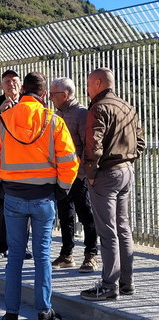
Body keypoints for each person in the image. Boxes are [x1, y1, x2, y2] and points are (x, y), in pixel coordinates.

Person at [0, 72, 80, 320]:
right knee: (42, 256)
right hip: (44, 197)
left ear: (23, 90)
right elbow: (70, 161)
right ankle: (44, 311)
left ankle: (11, 312)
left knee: (14, 256)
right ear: (44, 94)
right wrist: (62, 189)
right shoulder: (53, 120)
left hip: (12, 196)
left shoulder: (3, 120)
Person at [80, 68, 145, 301]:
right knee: (123, 229)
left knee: (107, 232)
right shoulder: (128, 106)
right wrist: (127, 159)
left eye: (88, 84)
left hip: (106, 174)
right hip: (126, 171)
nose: (86, 89)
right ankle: (127, 282)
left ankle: (109, 285)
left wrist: (91, 173)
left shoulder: (98, 108)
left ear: (98, 83)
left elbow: (93, 146)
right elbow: (140, 141)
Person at [0, 69, 33, 260]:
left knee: (24, 207)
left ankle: (23, 246)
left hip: (25, 164)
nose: (11, 84)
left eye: (14, 81)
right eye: (7, 81)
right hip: (1, 164)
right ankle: (1, 247)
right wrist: (0, 113)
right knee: (2, 207)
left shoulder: (29, 103)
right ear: (2, 85)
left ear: (21, 85)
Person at [49, 77, 98, 273]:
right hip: (61, 174)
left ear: (65, 95)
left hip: (78, 175)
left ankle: (91, 254)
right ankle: (67, 254)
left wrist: (83, 173)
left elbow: (88, 146)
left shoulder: (81, 114)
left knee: (85, 213)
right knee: (65, 214)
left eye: (54, 94)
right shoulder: (57, 114)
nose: (51, 97)